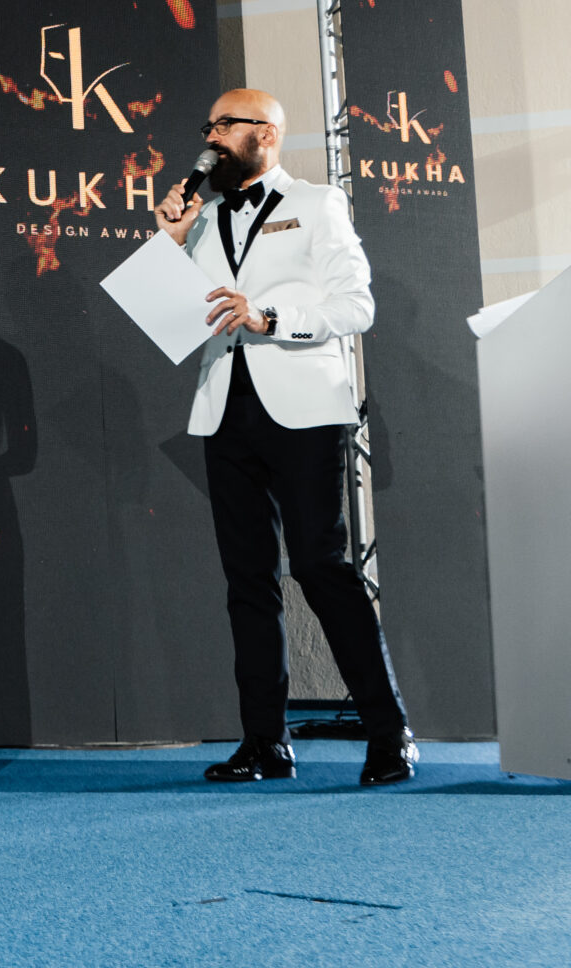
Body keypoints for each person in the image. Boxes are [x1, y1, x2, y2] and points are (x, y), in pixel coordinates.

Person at [155, 89, 416, 786]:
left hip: (304, 410)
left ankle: (388, 733)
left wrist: (269, 317)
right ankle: (265, 743)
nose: (211, 137)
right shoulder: (203, 219)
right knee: (247, 581)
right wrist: (170, 243)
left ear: (265, 133)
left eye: (224, 125)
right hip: (224, 411)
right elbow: (168, 319)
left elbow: (355, 305)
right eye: (208, 124)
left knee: (322, 567)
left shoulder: (318, 204)